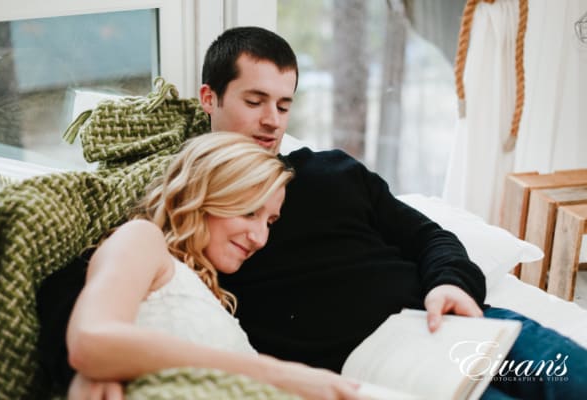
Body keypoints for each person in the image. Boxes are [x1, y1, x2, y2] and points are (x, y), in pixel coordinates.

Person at [39, 26, 587, 399]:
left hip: (445, 323)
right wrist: (87, 367)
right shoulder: (196, 205)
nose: (272, 121)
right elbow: (87, 282)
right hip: (369, 369)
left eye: (284, 104)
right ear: (210, 99)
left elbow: (430, 237)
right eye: (254, 102)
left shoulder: (332, 171)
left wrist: (448, 283)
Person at [64, 131, 368, 400]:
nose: (260, 238)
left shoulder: (217, 299)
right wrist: (280, 374)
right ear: (203, 194)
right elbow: (90, 340)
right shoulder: (142, 238)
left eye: (270, 222)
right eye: (249, 212)